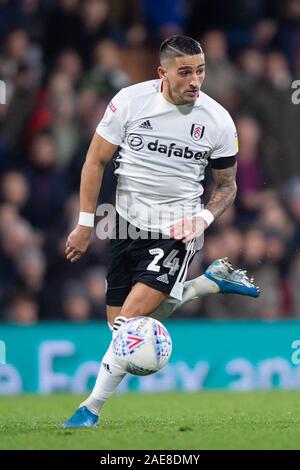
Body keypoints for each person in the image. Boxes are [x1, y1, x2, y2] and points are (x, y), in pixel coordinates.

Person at [62, 35, 259, 428]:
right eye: (185, 71)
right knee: (118, 326)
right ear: (162, 73)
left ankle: (89, 409)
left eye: (200, 70)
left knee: (129, 326)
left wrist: (201, 221)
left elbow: (227, 186)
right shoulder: (129, 102)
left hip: (177, 229)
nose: (195, 80)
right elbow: (94, 161)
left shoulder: (218, 120)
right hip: (124, 225)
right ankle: (209, 282)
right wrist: (85, 225)